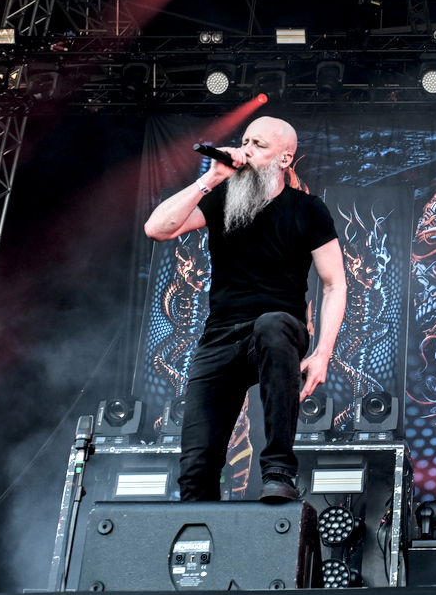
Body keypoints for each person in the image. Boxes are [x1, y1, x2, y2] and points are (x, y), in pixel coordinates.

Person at [144, 117, 345, 503]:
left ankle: (279, 470)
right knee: (196, 469)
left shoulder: (308, 210)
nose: (246, 150)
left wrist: (323, 353)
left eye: (259, 145)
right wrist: (211, 177)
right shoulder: (223, 198)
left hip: (279, 330)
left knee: (271, 324)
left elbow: (335, 283)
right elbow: (157, 229)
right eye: (245, 141)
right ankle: (200, 525)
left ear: (284, 158)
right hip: (221, 334)